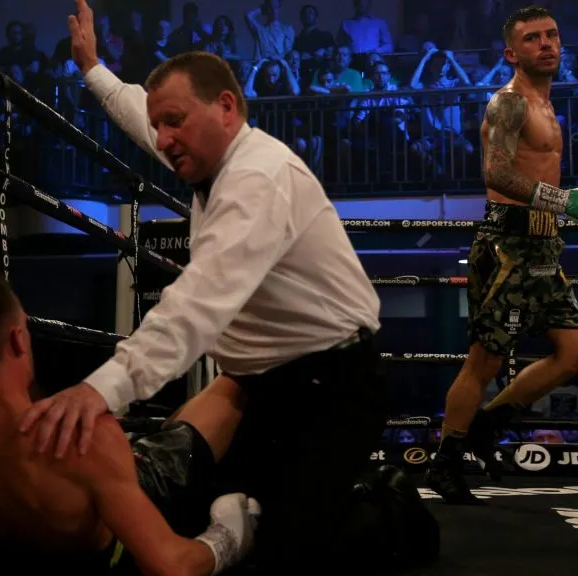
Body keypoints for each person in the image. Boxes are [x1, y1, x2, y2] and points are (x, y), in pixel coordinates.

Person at [19, 0, 388, 570]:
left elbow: (198, 303)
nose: (164, 139)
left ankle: (386, 506)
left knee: (291, 554)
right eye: (161, 123)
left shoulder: (258, 179)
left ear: (226, 108)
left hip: (332, 386)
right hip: (259, 386)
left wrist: (101, 389)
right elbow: (140, 116)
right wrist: (92, 68)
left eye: (176, 121)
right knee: (192, 513)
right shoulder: (203, 150)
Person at [0, 271, 261, 576]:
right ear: (19, 339)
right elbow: (171, 566)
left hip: (19, 546)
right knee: (194, 427)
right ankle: (258, 364)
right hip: (105, 551)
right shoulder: (79, 439)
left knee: (155, 441)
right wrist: (229, 535)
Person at [423, 5, 578, 505]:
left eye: (551, 35)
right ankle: (446, 461)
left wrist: (560, 209)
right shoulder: (508, 103)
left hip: (544, 244)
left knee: (574, 354)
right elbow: (498, 174)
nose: (546, 44)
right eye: (533, 38)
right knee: (485, 360)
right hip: (507, 244)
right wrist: (567, 201)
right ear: (512, 52)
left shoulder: (547, 104)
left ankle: (488, 425)